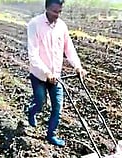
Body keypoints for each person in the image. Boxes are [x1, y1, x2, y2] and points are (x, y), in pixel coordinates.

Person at [26, 0, 87, 147]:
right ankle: (31, 111)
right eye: (54, 11)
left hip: (56, 76)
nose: (57, 15)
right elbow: (33, 55)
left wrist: (77, 67)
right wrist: (46, 73)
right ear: (46, 8)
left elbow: (69, 50)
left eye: (59, 12)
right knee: (40, 103)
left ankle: (51, 135)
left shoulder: (62, 26)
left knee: (57, 108)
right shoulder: (34, 24)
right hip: (39, 75)